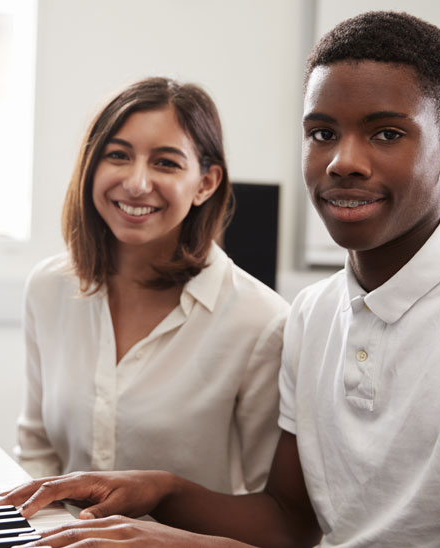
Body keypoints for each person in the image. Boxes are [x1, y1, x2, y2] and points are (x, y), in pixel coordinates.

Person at [0, 11, 440, 547]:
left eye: (386, 133)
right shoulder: (314, 313)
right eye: (322, 132)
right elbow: (287, 522)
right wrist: (160, 491)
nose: (343, 161)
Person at [14, 77, 290, 497]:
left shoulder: (261, 322)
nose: (137, 182)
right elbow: (36, 451)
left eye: (165, 163)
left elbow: (267, 510)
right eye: (118, 155)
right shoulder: (49, 287)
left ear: (206, 183)